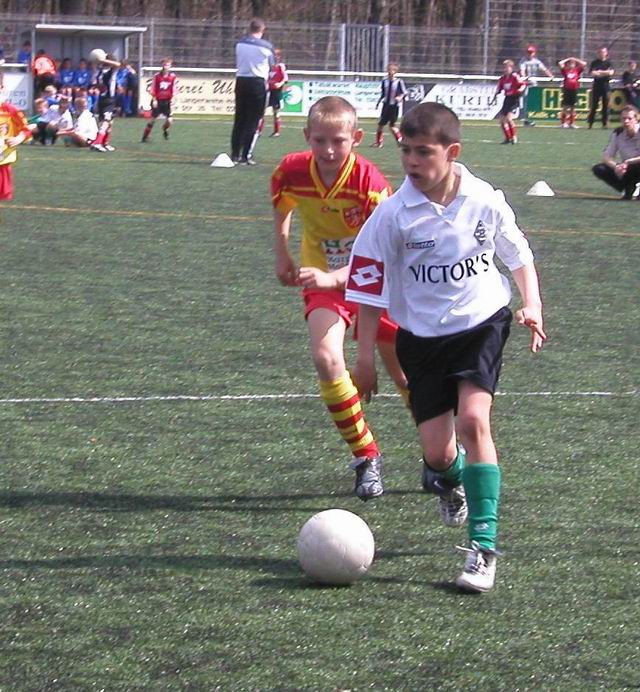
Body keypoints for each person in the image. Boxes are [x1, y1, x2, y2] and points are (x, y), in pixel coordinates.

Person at [345, 102, 546, 593]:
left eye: (424, 152)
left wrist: (532, 304)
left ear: (451, 152)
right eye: (406, 151)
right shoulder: (392, 215)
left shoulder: (484, 200)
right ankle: (448, 478)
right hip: (420, 339)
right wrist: (365, 358)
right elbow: (368, 288)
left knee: (474, 421)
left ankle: (483, 547)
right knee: (438, 453)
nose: (412, 162)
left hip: (481, 324)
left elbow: (517, 254)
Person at [271, 95, 408, 500]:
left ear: (356, 139)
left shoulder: (371, 185)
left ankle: (442, 455)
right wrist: (282, 252)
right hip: (323, 279)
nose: (329, 150)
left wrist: (334, 277)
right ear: (307, 136)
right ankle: (366, 456)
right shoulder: (291, 171)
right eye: (320, 140)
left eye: (339, 141)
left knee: (404, 376)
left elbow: (381, 257)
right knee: (326, 357)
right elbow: (282, 204)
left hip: (377, 284)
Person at [230, 17, 274, 165]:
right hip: (257, 83)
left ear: (250, 28)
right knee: (253, 121)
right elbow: (272, 66)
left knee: (239, 120)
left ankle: (234, 154)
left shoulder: (240, 43)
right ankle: (245, 156)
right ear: (263, 30)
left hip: (241, 81)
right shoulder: (266, 47)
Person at [592, 104, 640, 200]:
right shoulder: (618, 133)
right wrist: (616, 166)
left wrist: (629, 161)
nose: (626, 121)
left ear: (636, 119)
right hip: (627, 168)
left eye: (629, 118)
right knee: (599, 169)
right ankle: (627, 188)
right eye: (624, 118)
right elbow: (606, 157)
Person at [0, 72, 32, 200]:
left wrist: (19, 138)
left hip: (2, 161)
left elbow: (26, 130)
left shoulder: (10, 110)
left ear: (1, 87)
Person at [90, 52, 122, 152]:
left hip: (101, 100)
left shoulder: (99, 71)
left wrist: (97, 61)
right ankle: (97, 143)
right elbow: (118, 65)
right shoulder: (111, 71)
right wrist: (102, 60)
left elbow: (94, 82)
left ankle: (105, 143)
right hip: (108, 100)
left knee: (110, 122)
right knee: (105, 122)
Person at [141, 58, 177, 142]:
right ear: (162, 65)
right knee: (152, 120)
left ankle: (165, 130)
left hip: (167, 101)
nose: (166, 66)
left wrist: (173, 98)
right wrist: (154, 99)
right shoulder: (157, 76)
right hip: (158, 100)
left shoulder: (172, 76)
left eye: (168, 65)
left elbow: (174, 88)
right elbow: (153, 88)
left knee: (169, 120)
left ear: (170, 66)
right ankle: (145, 136)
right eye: (165, 65)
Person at [372, 62, 406, 148]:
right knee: (380, 125)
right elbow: (383, 93)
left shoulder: (399, 82)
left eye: (392, 70)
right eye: (389, 70)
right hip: (386, 106)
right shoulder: (385, 81)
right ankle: (379, 143)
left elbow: (404, 92)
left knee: (392, 126)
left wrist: (399, 97)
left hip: (394, 106)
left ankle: (400, 141)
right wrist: (378, 103)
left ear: (395, 71)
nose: (390, 72)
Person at [518, 44, 553, 126]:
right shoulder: (523, 61)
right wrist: (524, 78)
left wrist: (550, 76)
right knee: (526, 101)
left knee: (533, 102)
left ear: (534, 53)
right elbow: (522, 71)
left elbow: (544, 69)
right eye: (528, 52)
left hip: (534, 84)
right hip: (526, 84)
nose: (529, 54)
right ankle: (526, 119)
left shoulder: (537, 61)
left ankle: (531, 118)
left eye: (531, 52)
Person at [495, 60, 526, 144]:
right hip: (507, 99)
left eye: (507, 67)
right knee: (502, 120)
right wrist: (496, 94)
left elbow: (523, 84)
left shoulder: (515, 76)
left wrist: (520, 89)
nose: (505, 69)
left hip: (514, 99)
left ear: (511, 68)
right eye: (504, 67)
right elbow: (499, 88)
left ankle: (514, 137)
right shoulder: (503, 78)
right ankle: (508, 138)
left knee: (509, 119)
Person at [587, 47, 614, 129]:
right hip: (596, 86)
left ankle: (604, 123)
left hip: (605, 86)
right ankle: (590, 123)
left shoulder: (609, 62)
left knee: (605, 105)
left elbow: (611, 73)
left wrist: (600, 72)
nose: (601, 54)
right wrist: (605, 72)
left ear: (606, 53)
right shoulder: (594, 63)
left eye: (603, 52)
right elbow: (593, 73)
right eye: (599, 52)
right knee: (594, 105)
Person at [558, 56, 587, 128]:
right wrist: (568, 59)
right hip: (567, 90)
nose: (571, 65)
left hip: (574, 90)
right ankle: (563, 123)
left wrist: (575, 59)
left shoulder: (577, 71)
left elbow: (584, 64)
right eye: (570, 63)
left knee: (572, 107)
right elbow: (560, 63)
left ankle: (572, 123)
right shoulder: (565, 71)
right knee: (565, 106)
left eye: (573, 63)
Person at [267, 48, 288, 138]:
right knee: (260, 111)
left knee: (276, 112)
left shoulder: (281, 66)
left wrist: (280, 84)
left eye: (276, 55)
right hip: (268, 91)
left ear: (279, 56)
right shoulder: (268, 66)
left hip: (276, 92)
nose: (274, 57)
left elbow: (285, 78)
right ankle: (257, 131)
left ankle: (276, 132)